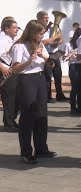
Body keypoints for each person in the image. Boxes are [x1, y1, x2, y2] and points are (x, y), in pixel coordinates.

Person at [11, 20, 57, 164]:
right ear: (32, 33)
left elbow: (52, 65)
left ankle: (41, 148)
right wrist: (29, 60)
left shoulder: (40, 45)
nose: (42, 37)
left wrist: (44, 57)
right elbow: (15, 68)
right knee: (28, 116)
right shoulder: (19, 46)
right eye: (40, 34)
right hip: (26, 80)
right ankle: (26, 152)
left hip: (40, 79)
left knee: (41, 115)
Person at [36, 11, 68, 103]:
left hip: (55, 53)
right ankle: (48, 96)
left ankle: (60, 94)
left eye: (47, 17)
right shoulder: (39, 29)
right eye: (45, 17)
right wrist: (54, 38)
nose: (47, 19)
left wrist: (59, 40)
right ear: (39, 18)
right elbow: (43, 42)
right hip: (47, 55)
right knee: (48, 76)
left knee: (58, 75)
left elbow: (60, 38)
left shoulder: (51, 28)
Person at [0, 18, 20, 132]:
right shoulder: (2, 40)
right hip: (5, 70)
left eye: (17, 27)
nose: (16, 29)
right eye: (14, 27)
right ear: (6, 29)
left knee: (15, 97)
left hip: (13, 70)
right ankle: (8, 123)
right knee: (9, 98)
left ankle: (11, 120)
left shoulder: (14, 39)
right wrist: (2, 67)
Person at [63, 27, 81, 115]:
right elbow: (64, 58)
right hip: (74, 66)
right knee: (75, 88)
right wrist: (70, 54)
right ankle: (73, 108)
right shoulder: (69, 45)